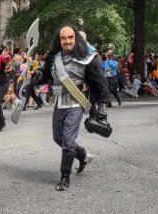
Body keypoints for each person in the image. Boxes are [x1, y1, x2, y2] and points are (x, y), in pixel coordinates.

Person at [40, 26, 109, 191]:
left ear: (76, 38)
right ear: (59, 40)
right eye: (63, 38)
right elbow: (46, 76)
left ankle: (65, 177)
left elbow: (100, 84)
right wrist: (36, 75)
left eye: (70, 37)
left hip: (76, 102)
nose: (67, 41)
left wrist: (102, 108)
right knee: (58, 138)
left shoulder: (88, 59)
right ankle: (83, 156)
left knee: (68, 141)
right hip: (59, 102)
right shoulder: (53, 58)